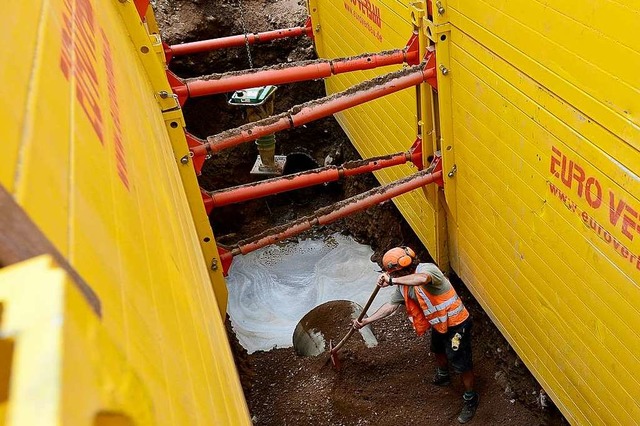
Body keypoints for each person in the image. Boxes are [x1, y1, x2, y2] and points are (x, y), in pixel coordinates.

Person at [352, 246, 479, 423]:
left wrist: (392, 281)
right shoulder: (403, 284)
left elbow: (421, 279)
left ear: (398, 270)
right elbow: (391, 307)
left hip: (457, 324)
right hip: (439, 324)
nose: (392, 276)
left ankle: (471, 399)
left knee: (460, 362)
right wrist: (366, 321)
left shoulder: (427, 270)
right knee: (437, 349)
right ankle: (443, 376)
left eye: (392, 272)